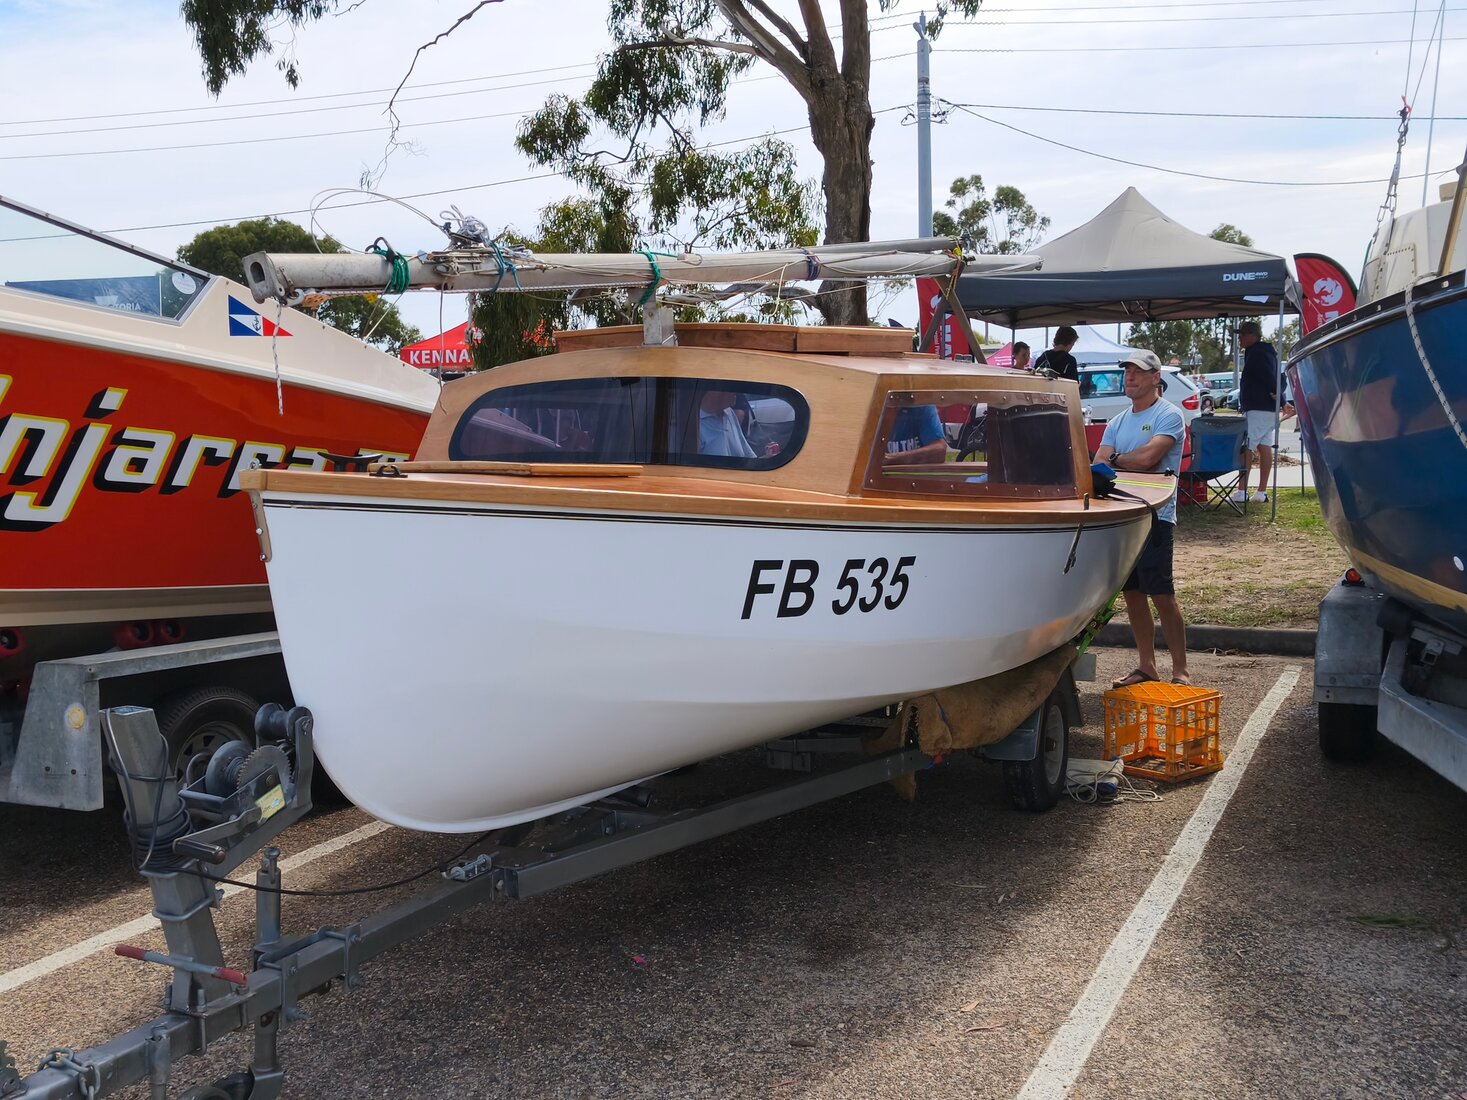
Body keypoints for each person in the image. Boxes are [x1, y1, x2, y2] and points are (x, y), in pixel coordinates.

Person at [1092, 348, 1191, 688]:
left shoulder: (1169, 415)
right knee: (1133, 594)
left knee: (1162, 595)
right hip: (1123, 518)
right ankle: (1147, 666)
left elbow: (1149, 458)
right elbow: (1099, 462)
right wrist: (1120, 460)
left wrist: (1115, 460)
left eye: (1137, 371)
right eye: (1127, 371)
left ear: (1155, 377)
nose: (1130, 376)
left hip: (1156, 516)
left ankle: (1181, 670)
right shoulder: (1117, 421)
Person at [1230, 320, 1291, 504]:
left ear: (1252, 335)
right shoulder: (1267, 352)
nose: (1239, 339)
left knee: (1246, 446)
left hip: (1257, 407)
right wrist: (1281, 399)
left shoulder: (1257, 353)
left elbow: (1268, 377)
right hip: (1267, 408)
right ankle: (1261, 492)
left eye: (1241, 335)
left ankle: (1242, 491)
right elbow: (1278, 378)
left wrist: (1280, 398)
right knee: (1264, 447)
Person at [698, 389, 759, 458]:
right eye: (730, 387)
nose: (736, 393)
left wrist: (766, 458)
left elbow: (748, 455)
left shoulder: (729, 413)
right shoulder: (694, 425)